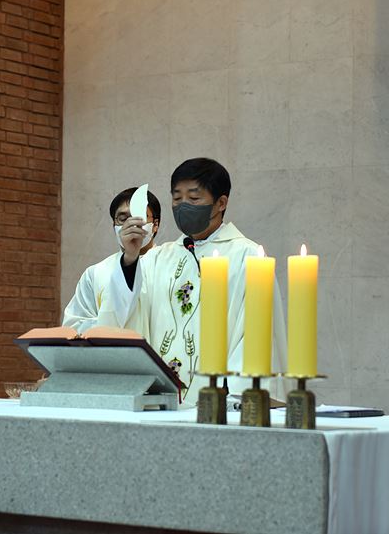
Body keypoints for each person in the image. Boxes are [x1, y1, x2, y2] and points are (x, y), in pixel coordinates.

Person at [101, 158, 287, 404]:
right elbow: (125, 314)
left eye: (194, 198)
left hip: (217, 402)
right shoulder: (157, 258)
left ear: (221, 203)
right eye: (177, 198)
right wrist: (130, 258)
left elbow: (256, 335)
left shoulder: (248, 256)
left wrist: (235, 398)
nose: (183, 205)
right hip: (160, 401)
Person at [61, 187, 161, 331]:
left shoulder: (170, 265)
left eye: (138, 217)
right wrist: (107, 324)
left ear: (155, 225)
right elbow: (74, 327)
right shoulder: (95, 273)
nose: (130, 225)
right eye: (123, 219)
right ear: (114, 225)